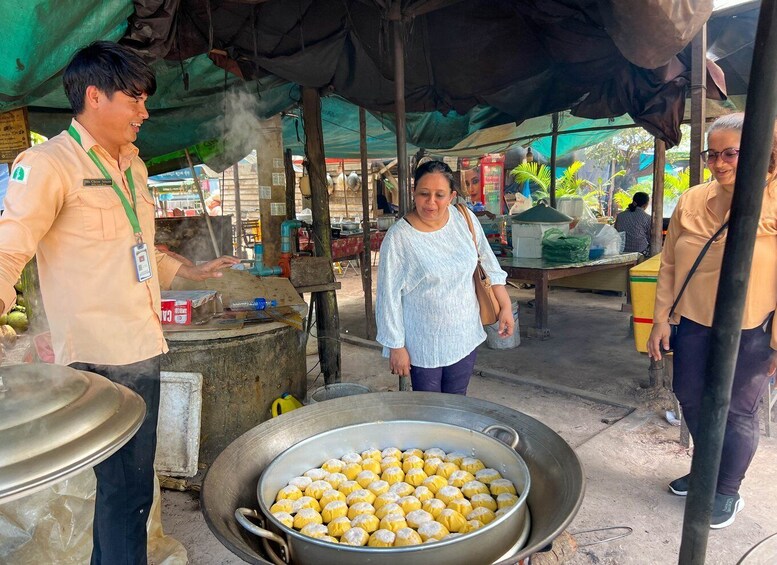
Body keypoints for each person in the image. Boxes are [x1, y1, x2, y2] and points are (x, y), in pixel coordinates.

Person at [0, 41, 239, 564]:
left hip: (139, 345)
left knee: (128, 492)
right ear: (94, 97)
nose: (144, 112)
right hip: (96, 356)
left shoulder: (131, 166)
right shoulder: (47, 165)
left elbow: (136, 243)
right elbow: (8, 246)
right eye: (134, 99)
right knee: (123, 490)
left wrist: (188, 269)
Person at [647, 112, 777, 529]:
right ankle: (708, 470)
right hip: (695, 322)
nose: (719, 163)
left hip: (753, 328)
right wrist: (661, 318)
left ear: (759, 151)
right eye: (712, 154)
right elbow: (668, 265)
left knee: (738, 411)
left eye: (731, 153)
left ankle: (726, 489)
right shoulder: (691, 201)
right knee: (688, 394)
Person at [375, 160, 514, 394]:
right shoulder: (399, 237)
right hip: (424, 343)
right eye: (424, 194)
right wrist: (396, 346)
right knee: (431, 412)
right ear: (414, 193)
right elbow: (387, 297)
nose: (431, 202)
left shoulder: (463, 219)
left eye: (439, 195)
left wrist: (506, 307)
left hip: (465, 335)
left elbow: (488, 265)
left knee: (458, 403)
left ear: (451, 196)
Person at [614, 191, 652, 256]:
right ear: (645, 204)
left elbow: (616, 232)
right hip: (640, 251)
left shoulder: (620, 215)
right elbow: (650, 237)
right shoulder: (647, 218)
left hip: (622, 250)